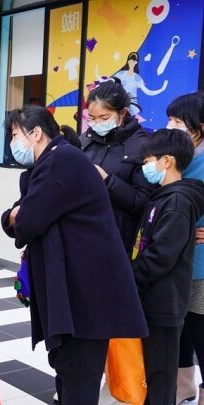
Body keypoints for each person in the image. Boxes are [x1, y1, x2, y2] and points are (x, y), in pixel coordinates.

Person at [1, 105, 148, 404]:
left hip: (86, 292)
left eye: (15, 135)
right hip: (74, 290)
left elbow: (27, 220)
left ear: (36, 133)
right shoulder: (49, 163)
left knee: (79, 373)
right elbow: (19, 215)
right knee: (67, 366)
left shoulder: (61, 160)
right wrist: (14, 216)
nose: (13, 143)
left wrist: (16, 215)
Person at [132, 129, 204, 405]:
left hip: (164, 302)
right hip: (153, 299)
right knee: (153, 374)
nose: (144, 167)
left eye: (147, 161)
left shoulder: (177, 202)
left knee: (160, 377)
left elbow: (161, 256)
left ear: (166, 161)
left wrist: (130, 279)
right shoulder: (163, 196)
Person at [81, 78, 157, 255]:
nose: (97, 123)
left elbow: (142, 201)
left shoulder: (142, 145)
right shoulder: (85, 140)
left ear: (122, 113)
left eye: (104, 118)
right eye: (92, 118)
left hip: (119, 240)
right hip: (82, 231)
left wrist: (107, 180)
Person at [166, 92, 204, 405]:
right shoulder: (179, 155)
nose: (170, 126)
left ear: (199, 126)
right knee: (179, 327)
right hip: (175, 260)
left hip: (202, 264)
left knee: (201, 329)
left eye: (177, 120)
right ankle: (184, 386)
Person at [111, 51, 168, 116]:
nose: (132, 62)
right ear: (128, 61)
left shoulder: (137, 77)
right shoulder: (120, 74)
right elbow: (110, 82)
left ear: (136, 62)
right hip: (119, 103)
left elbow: (148, 92)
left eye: (134, 61)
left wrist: (162, 89)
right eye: (130, 61)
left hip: (131, 105)